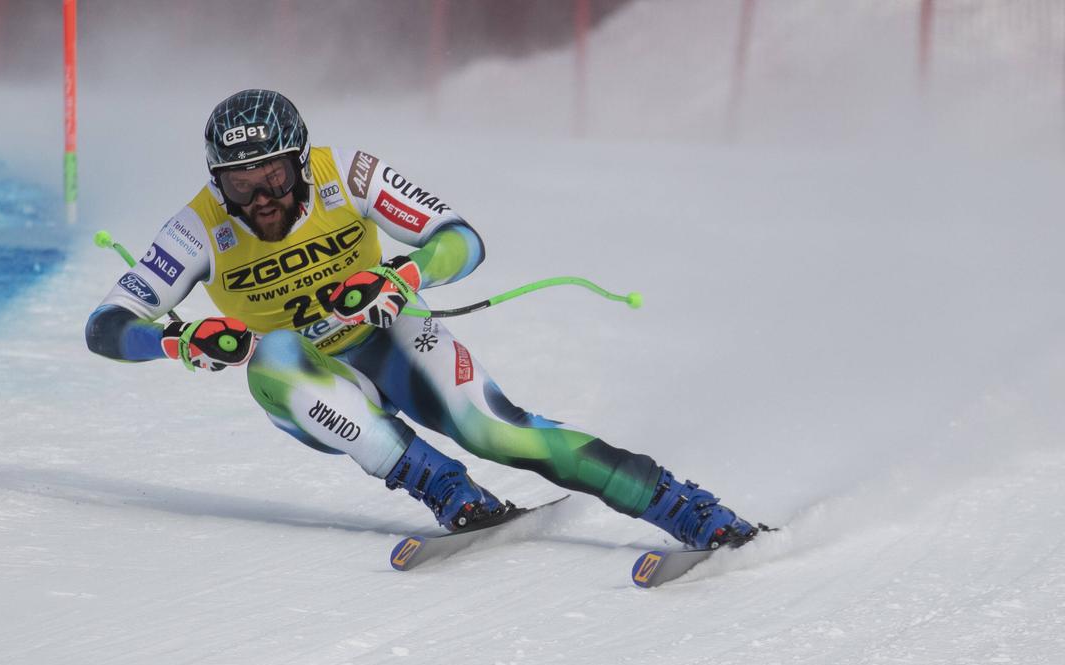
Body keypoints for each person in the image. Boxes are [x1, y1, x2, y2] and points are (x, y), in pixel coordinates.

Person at [85, 89, 760, 548]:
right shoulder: (196, 228)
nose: (261, 197)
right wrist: (176, 342)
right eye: (240, 183)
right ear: (216, 181)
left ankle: (682, 506)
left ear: (299, 159)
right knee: (271, 357)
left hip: (390, 337)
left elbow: (461, 239)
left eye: (274, 177)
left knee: (500, 432)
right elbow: (107, 324)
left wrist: (403, 272)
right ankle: (441, 484)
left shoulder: (345, 174)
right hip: (309, 386)